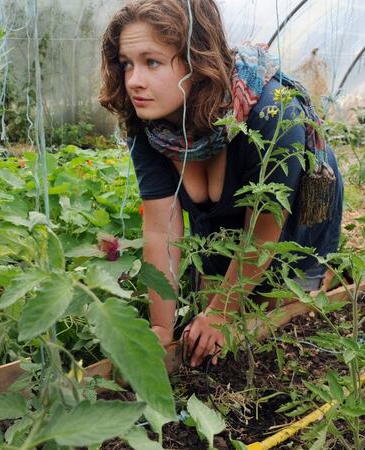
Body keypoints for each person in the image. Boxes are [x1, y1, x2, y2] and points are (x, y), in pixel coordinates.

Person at [98, 0, 343, 367]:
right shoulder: (149, 122)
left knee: (273, 321)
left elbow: (263, 232)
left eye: (152, 62)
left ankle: (325, 274)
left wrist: (222, 314)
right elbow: (160, 230)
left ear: (195, 63)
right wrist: (161, 329)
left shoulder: (272, 111)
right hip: (222, 228)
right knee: (200, 323)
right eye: (126, 63)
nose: (134, 80)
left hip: (290, 223)